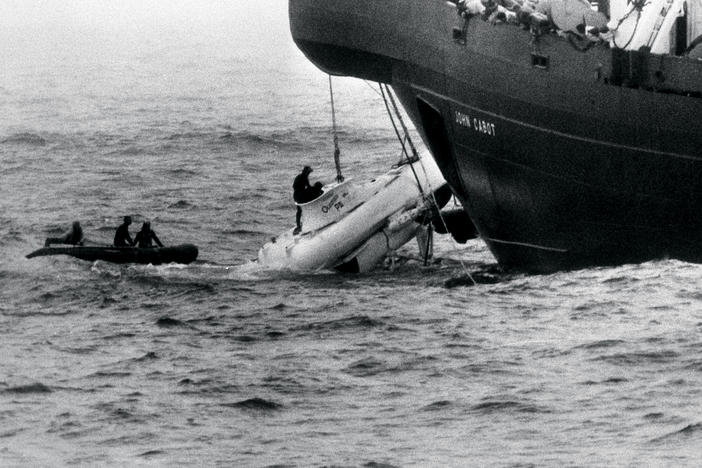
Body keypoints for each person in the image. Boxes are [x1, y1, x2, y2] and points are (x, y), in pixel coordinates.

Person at [292, 165, 323, 234]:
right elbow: (308, 187)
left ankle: (298, 225)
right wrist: (318, 190)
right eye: (308, 172)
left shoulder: (300, 177)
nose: (309, 174)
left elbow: (295, 187)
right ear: (306, 172)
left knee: (299, 211)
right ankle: (311, 221)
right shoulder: (303, 177)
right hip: (300, 195)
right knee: (305, 208)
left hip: (296, 196)